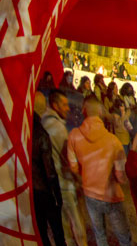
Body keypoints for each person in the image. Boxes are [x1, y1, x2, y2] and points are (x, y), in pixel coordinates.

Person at [67, 97, 131, 246]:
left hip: (89, 193)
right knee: (123, 237)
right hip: (112, 196)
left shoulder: (74, 135)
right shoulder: (114, 141)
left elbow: (74, 167)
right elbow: (121, 178)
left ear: (84, 111)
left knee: (100, 234)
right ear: (101, 112)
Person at [41, 90, 87, 246]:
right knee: (76, 220)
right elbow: (68, 159)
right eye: (64, 105)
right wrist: (78, 179)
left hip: (52, 183)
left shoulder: (43, 122)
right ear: (55, 105)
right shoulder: (58, 128)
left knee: (64, 225)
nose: (68, 108)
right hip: (65, 184)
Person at [32, 107, 66, 246]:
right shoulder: (41, 134)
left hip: (32, 190)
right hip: (45, 190)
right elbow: (49, 170)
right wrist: (57, 195)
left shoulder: (22, 135)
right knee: (57, 230)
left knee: (41, 230)